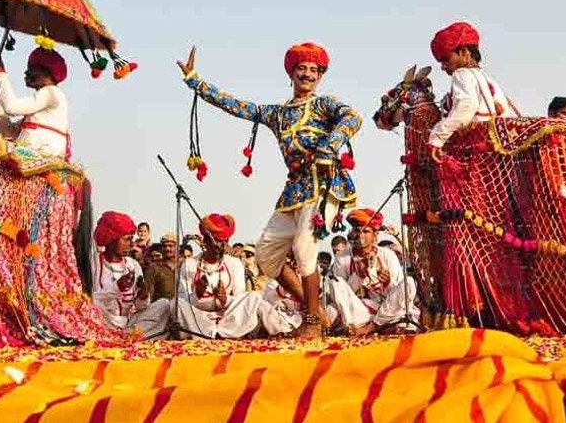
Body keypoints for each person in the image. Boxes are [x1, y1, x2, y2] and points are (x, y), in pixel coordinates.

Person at [177, 43, 361, 338]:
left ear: (321, 76)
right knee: (265, 255)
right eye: (302, 69)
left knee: (304, 248)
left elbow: (352, 118)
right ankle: (315, 310)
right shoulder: (277, 114)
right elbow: (237, 106)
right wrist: (196, 82)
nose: (308, 74)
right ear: (291, 73)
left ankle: (312, 322)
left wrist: (329, 146)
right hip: (295, 191)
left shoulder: (325, 104)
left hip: (324, 184)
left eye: (314, 70)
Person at [176, 214, 275, 338]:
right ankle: (207, 334)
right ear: (205, 241)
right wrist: (197, 294)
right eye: (217, 242)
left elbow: (240, 299)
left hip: (227, 318)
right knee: (176, 303)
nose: (222, 247)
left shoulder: (234, 263)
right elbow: (182, 299)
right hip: (199, 319)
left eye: (225, 242)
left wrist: (225, 299)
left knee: (253, 297)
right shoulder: (189, 264)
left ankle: (222, 334)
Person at [426, 22, 516, 158]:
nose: (443, 67)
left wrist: (437, 137)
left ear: (463, 52)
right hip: (498, 153)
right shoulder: (488, 79)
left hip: (476, 154)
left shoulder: (461, 74)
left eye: (445, 59)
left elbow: (466, 106)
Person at [328, 208, 419, 335]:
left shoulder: (387, 254)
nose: (360, 235)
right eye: (357, 231)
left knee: (409, 283)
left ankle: (372, 327)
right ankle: (370, 327)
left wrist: (387, 282)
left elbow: (396, 295)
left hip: (387, 310)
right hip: (360, 311)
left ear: (375, 235)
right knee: (334, 283)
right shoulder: (342, 257)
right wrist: (358, 276)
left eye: (365, 231)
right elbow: (341, 295)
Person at [89, 212, 169, 337]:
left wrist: (143, 296)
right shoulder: (93, 263)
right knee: (89, 304)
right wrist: (117, 288)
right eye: (127, 239)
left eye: (132, 239)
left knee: (164, 305)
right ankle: (125, 336)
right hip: (102, 321)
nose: (132, 244)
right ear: (111, 240)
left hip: (128, 322)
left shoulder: (133, 265)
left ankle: (126, 336)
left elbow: (140, 307)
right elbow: (90, 299)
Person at [0, 47, 71, 158]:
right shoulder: (39, 110)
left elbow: (11, 107)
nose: (27, 72)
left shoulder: (52, 92)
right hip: (26, 158)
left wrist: (0, 74)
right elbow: (8, 133)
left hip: (41, 158)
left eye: (32, 68)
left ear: (47, 72)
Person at [141, 234, 178, 303]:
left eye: (170, 246)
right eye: (164, 246)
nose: (167, 249)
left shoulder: (183, 267)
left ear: (177, 247)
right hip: (161, 309)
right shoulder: (153, 268)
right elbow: (148, 297)